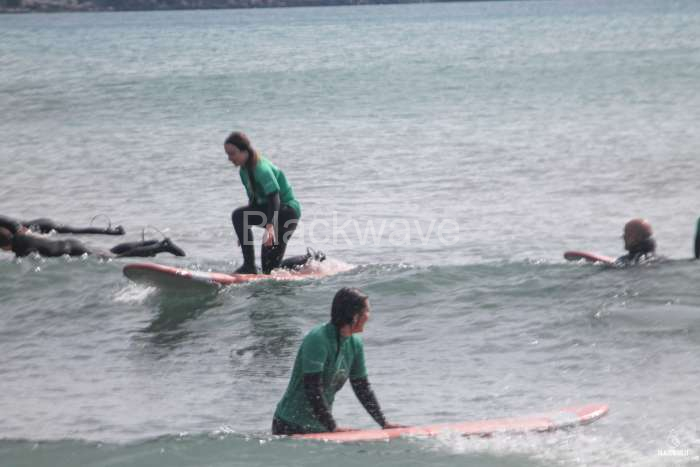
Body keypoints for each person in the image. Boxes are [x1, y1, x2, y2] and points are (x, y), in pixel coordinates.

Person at [272, 287, 400, 435]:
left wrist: (384, 423)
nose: (369, 316)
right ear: (354, 316)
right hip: (289, 425)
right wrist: (333, 427)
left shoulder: (355, 343)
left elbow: (361, 387)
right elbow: (312, 388)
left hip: (320, 427)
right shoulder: (318, 338)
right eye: (367, 311)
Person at [225, 131, 302, 274]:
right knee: (270, 270)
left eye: (232, 153)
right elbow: (254, 204)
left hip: (287, 212)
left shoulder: (261, 168)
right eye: (227, 154)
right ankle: (308, 260)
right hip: (273, 211)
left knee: (238, 215)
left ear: (245, 151)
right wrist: (243, 232)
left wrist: (270, 227)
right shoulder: (244, 171)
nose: (229, 158)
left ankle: (249, 266)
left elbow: (274, 198)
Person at [0, 225, 185, 258]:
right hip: (73, 243)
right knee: (112, 251)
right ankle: (149, 243)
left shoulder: (20, 249)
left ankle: (161, 246)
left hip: (74, 251)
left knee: (115, 258)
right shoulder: (23, 237)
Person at [0, 214, 125, 235]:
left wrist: (24, 234)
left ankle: (113, 232)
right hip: (40, 225)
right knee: (76, 231)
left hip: (43, 226)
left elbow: (13, 224)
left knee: (77, 231)